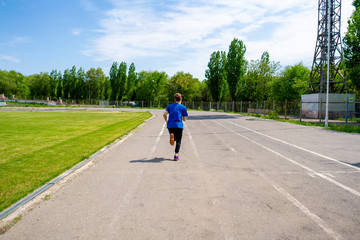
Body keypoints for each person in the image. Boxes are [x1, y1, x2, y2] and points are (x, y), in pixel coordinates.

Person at [163, 93, 188, 161]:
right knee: (179, 141)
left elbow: (164, 114)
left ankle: (172, 137)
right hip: (179, 125)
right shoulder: (183, 107)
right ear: (181, 99)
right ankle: (176, 155)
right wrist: (183, 118)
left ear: (174, 99)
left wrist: (166, 121)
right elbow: (184, 119)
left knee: (173, 138)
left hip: (170, 125)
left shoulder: (170, 106)